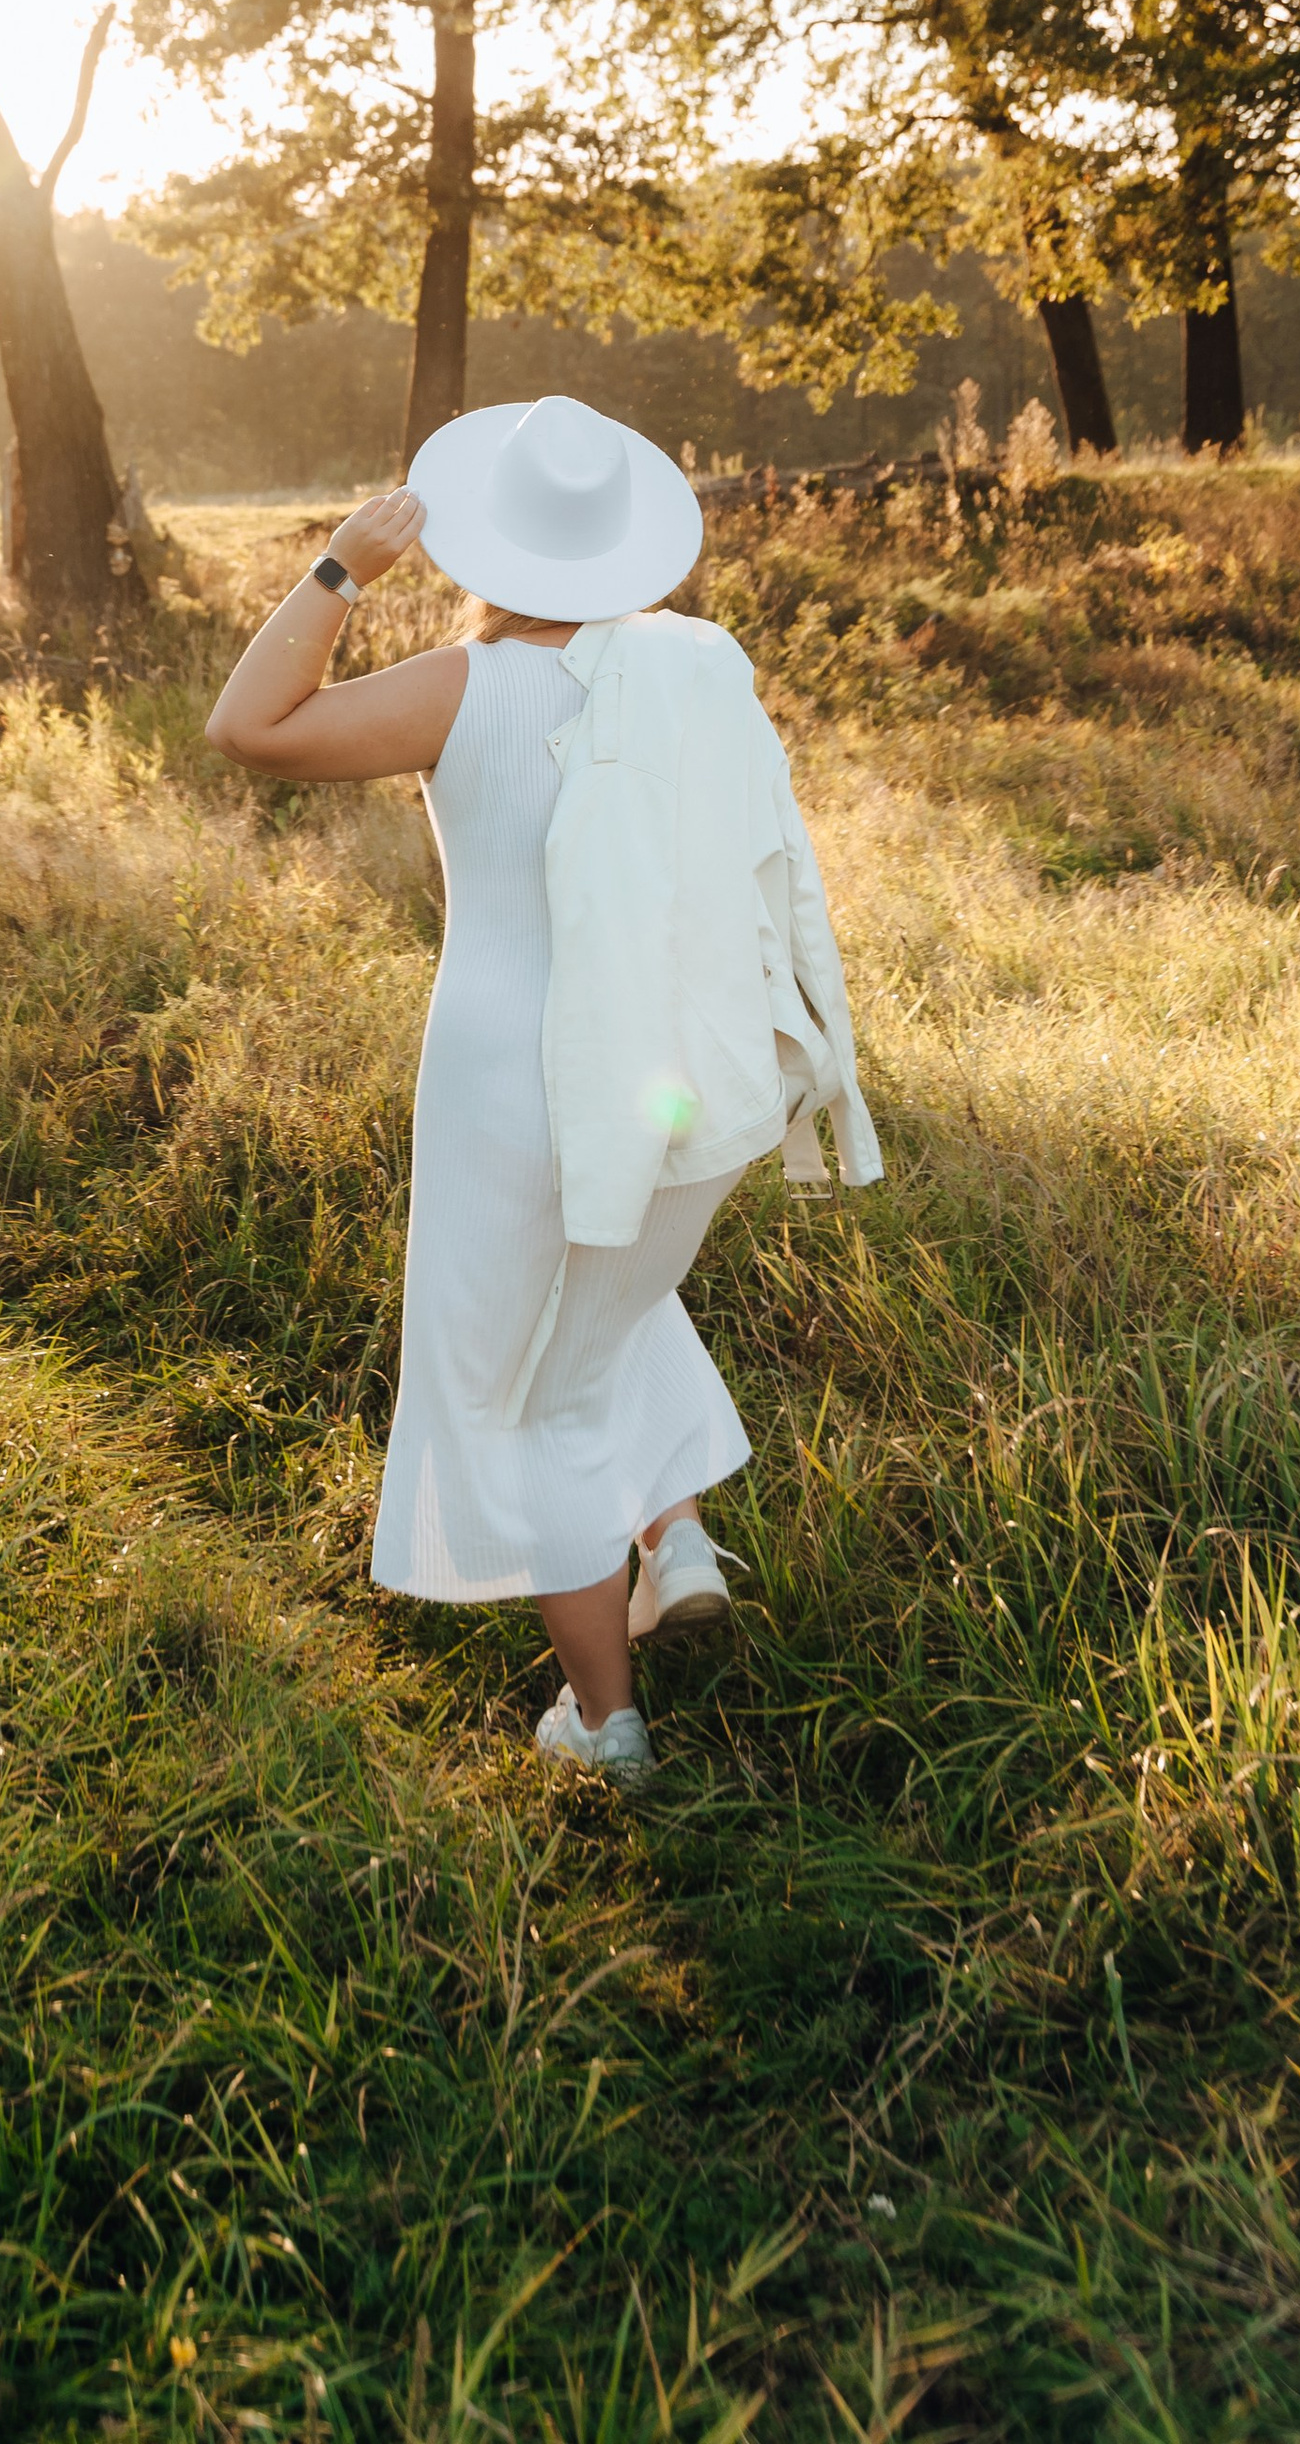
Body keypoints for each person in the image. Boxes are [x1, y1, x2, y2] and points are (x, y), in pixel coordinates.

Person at [206, 394, 880, 1776]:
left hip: (512, 1083)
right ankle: (673, 1535)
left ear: (484, 541)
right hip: (687, 1069)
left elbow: (248, 727)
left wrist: (341, 569)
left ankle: (605, 1723)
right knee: (608, 1297)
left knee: (529, 1390)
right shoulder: (699, 668)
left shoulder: (468, 690)